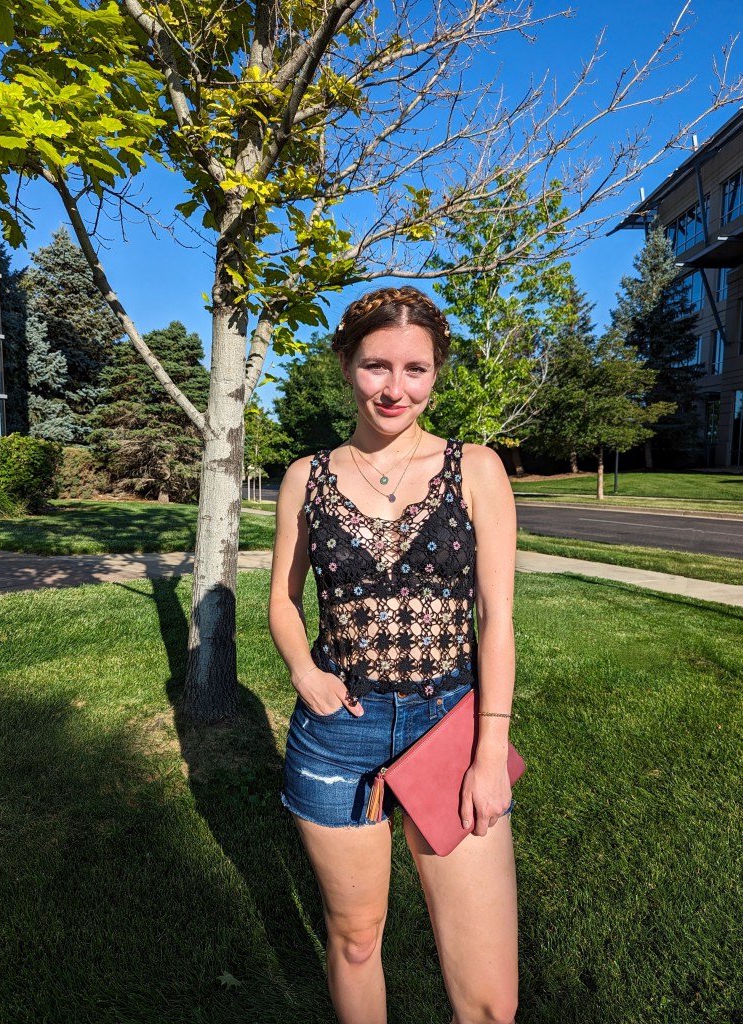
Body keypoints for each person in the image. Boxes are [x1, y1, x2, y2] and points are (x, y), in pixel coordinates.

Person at [269, 286, 518, 1024]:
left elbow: (497, 620)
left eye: (416, 369)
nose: (395, 388)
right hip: (337, 735)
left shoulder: (476, 468)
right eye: (376, 366)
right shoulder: (306, 477)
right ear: (347, 364)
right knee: (354, 939)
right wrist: (305, 672)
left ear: (436, 372)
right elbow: (282, 599)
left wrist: (488, 752)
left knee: (489, 1002)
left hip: (451, 728)